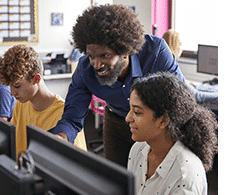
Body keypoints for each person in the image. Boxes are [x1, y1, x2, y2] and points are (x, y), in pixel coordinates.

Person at [51, 4, 185, 167]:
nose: (97, 64)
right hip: (116, 122)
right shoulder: (85, 69)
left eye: (104, 55)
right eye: (91, 56)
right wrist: (61, 137)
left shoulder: (156, 53)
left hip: (154, 123)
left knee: (156, 180)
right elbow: (72, 117)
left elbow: (180, 101)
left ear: (125, 50)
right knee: (117, 179)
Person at [126, 72, 218, 195]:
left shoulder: (185, 176)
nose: (127, 118)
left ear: (163, 121)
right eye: (130, 109)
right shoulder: (139, 149)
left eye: (137, 112)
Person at [0, 44, 87, 158]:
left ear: (36, 79)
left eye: (17, 86)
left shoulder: (66, 115)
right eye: (10, 86)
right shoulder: (20, 105)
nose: (12, 93)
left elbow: (78, 166)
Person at [162, 29, 218, 111]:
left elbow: (181, 81)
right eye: (180, 44)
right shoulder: (171, 67)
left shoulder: (164, 63)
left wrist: (189, 83)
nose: (181, 48)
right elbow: (197, 96)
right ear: (173, 45)